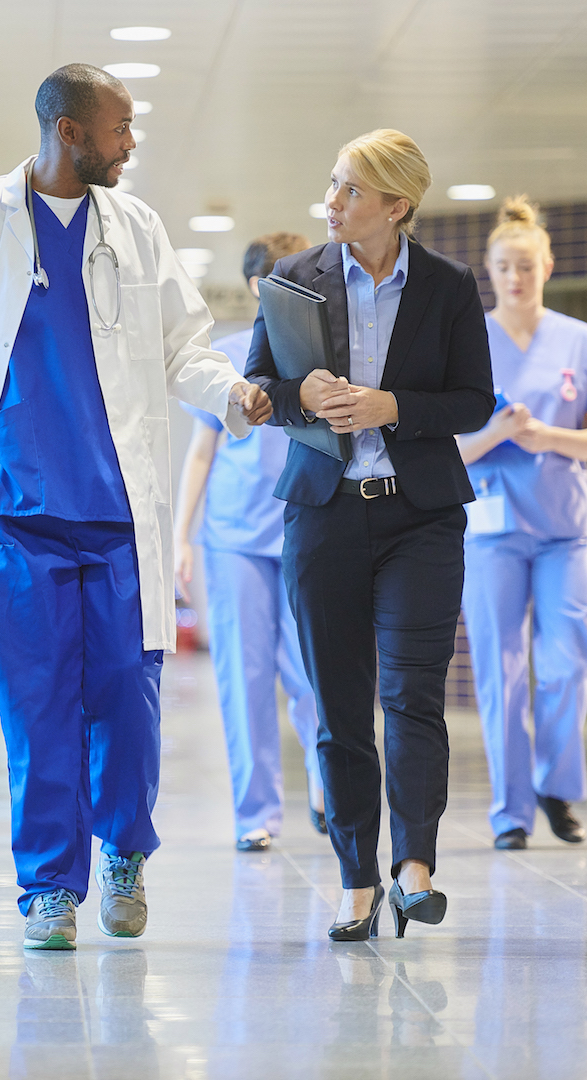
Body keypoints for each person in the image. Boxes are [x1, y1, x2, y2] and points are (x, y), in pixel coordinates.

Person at [0, 63, 271, 950]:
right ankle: (46, 890)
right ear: (68, 130)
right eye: (120, 127)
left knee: (128, 706)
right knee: (38, 708)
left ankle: (124, 854)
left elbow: (185, 348)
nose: (131, 142)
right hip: (16, 515)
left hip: (115, 516)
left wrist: (233, 396)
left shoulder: (135, 228)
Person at [246, 129, 494, 942]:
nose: (333, 202)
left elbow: (472, 403)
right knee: (340, 706)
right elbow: (258, 388)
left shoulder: (450, 287)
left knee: (412, 694)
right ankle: (358, 877)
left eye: (351, 190)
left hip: (420, 516)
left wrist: (394, 408)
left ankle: (413, 865)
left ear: (397, 204)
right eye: (332, 185)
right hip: (323, 515)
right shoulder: (292, 280)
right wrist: (298, 394)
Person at [456, 197, 587, 852]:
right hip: (491, 531)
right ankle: (510, 811)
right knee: (502, 670)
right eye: (503, 267)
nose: (515, 277)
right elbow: (445, 448)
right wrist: (495, 432)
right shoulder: (469, 342)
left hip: (563, 530)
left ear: (547, 265)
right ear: (489, 272)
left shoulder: (578, 340)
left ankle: (556, 783)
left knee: (568, 662)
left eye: (526, 265)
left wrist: (543, 433)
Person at [173, 231, 326, 853]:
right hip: (235, 539)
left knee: (315, 674)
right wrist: (181, 538)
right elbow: (201, 454)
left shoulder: (324, 355)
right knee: (245, 675)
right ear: (261, 286)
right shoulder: (227, 359)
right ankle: (255, 814)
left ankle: (326, 787)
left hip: (307, 532)